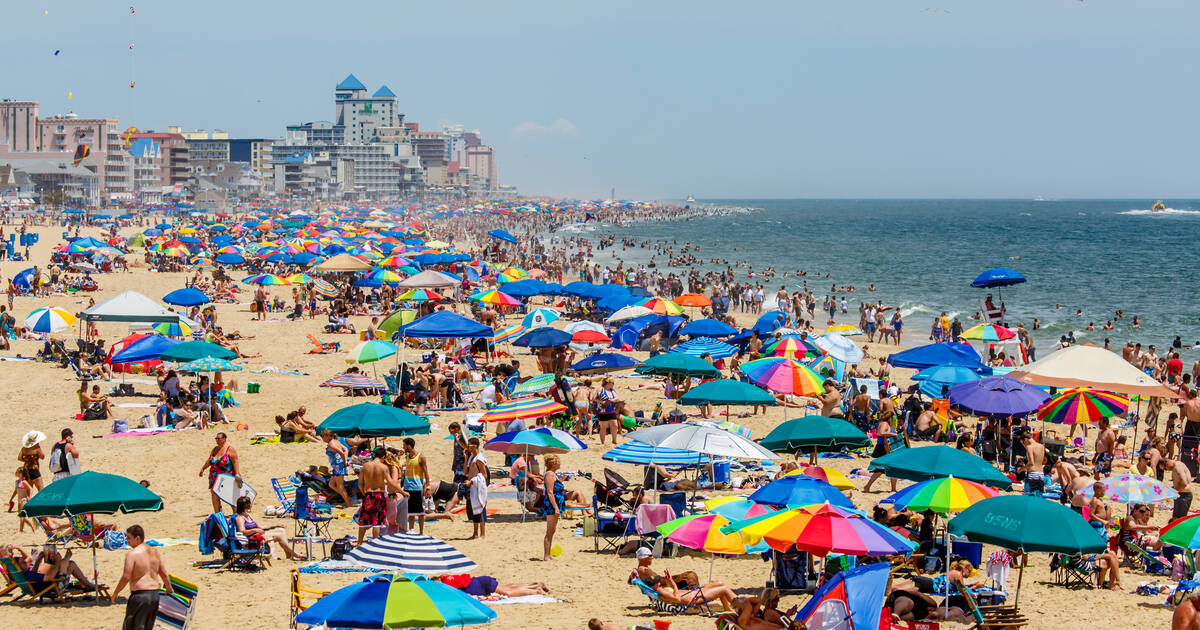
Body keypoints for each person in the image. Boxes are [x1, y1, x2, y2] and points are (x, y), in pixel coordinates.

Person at [110, 525, 171, 629]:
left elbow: (126, 577)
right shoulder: (155, 552)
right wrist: (169, 587)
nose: (127, 540)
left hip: (140, 596)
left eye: (129, 538)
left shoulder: (132, 554)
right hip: (154, 596)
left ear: (137, 538)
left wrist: (116, 593)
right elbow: (164, 573)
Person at [356, 447, 404, 545]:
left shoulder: (365, 466)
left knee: (364, 521)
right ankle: (374, 543)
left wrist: (364, 493)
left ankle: (359, 543)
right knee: (376, 522)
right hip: (379, 495)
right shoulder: (383, 467)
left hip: (368, 495)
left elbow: (360, 483)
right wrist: (402, 492)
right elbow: (391, 482)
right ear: (383, 456)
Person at [234, 496, 305, 561]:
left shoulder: (248, 515)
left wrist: (275, 525)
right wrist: (254, 530)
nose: (251, 505)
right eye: (249, 504)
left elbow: (261, 527)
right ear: (246, 506)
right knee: (279, 535)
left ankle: (289, 554)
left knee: (281, 530)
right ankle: (294, 554)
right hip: (252, 538)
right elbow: (242, 532)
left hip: (258, 534)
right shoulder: (240, 518)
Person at [198, 432, 239, 512]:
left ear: (224, 439)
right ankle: (218, 513)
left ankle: (236, 512)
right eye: (216, 438)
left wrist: (237, 473)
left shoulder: (230, 449)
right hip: (214, 476)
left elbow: (235, 462)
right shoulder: (215, 449)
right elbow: (209, 460)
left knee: (228, 495)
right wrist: (203, 469)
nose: (216, 440)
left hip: (226, 477)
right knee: (214, 495)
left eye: (218, 438)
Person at [539, 454, 565, 560]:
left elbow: (556, 488)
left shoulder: (554, 474)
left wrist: (562, 480)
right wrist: (555, 507)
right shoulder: (549, 474)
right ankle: (546, 556)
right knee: (549, 531)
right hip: (551, 505)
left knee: (552, 530)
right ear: (553, 463)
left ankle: (548, 555)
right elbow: (550, 492)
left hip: (556, 503)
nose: (559, 462)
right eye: (558, 461)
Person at [402, 437, 430, 534]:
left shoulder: (421, 457)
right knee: (410, 511)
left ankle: (421, 531)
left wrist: (428, 487)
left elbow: (426, 472)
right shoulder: (407, 457)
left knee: (420, 511)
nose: (403, 447)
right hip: (407, 487)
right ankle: (411, 530)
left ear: (409, 446)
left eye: (404, 446)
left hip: (417, 487)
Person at [863, 416, 897, 493]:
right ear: (889, 418)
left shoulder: (884, 424)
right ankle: (867, 486)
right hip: (883, 448)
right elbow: (881, 433)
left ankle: (893, 489)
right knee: (881, 470)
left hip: (884, 447)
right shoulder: (885, 423)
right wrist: (893, 434)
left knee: (892, 468)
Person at [463, 437, 488, 539]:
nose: (467, 447)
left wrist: (472, 481)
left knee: (481, 508)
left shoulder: (479, 459)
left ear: (474, 446)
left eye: (469, 445)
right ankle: (475, 533)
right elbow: (466, 472)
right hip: (472, 485)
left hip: (478, 486)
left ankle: (482, 534)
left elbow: (484, 475)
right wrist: (465, 458)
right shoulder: (471, 457)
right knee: (474, 509)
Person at [320, 430, 353, 506]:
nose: (322, 438)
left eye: (323, 436)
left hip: (338, 466)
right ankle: (347, 498)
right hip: (337, 466)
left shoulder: (331, 444)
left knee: (340, 486)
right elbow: (346, 449)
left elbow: (341, 452)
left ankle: (348, 502)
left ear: (328, 436)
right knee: (331, 484)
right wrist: (344, 459)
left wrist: (344, 461)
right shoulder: (336, 441)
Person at [593, 378, 621, 444]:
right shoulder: (601, 389)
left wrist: (612, 400)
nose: (613, 384)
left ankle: (614, 440)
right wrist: (602, 401)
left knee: (615, 426)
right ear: (608, 383)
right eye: (612, 383)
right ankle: (603, 442)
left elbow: (617, 398)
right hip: (602, 411)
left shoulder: (612, 390)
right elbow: (594, 398)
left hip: (611, 410)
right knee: (603, 428)